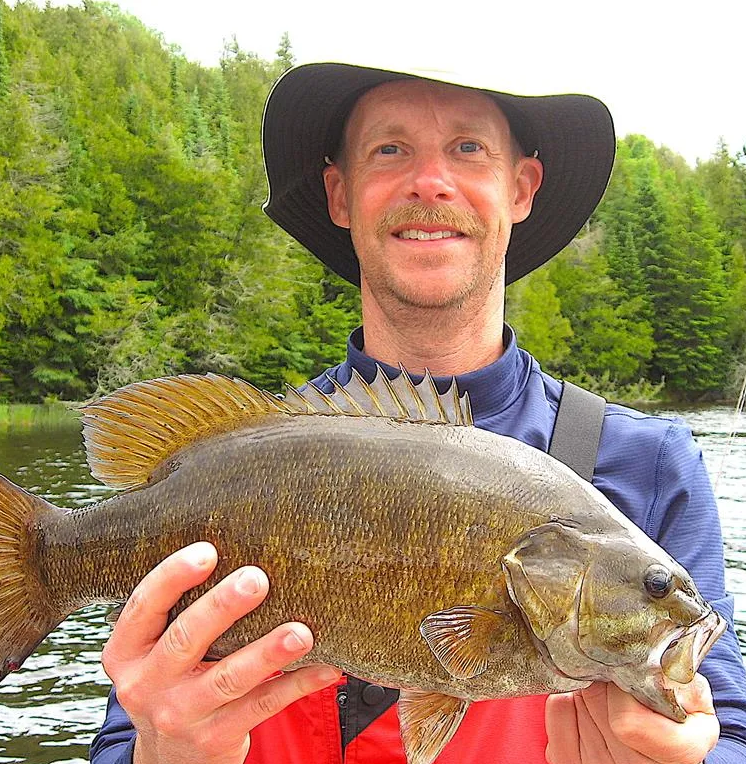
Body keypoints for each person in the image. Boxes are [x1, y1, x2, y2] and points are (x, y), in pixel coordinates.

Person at [89, 62, 746, 764]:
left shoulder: (646, 464)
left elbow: (726, 728)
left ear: (519, 187)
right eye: (390, 149)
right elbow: (122, 741)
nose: (429, 181)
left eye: (467, 148)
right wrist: (162, 752)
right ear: (339, 195)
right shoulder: (249, 446)